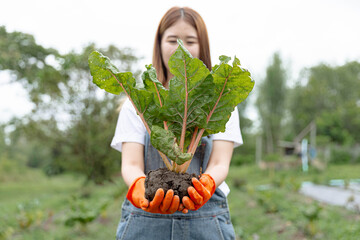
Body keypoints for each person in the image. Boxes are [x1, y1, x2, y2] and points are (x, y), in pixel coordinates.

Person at [111, 6, 243, 240]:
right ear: (159, 44)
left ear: (202, 46)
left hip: (206, 216)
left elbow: (221, 162)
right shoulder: (137, 103)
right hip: (146, 217)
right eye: (172, 40)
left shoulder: (221, 99)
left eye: (190, 41)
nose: (181, 47)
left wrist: (208, 182)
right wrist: (141, 187)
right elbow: (130, 163)